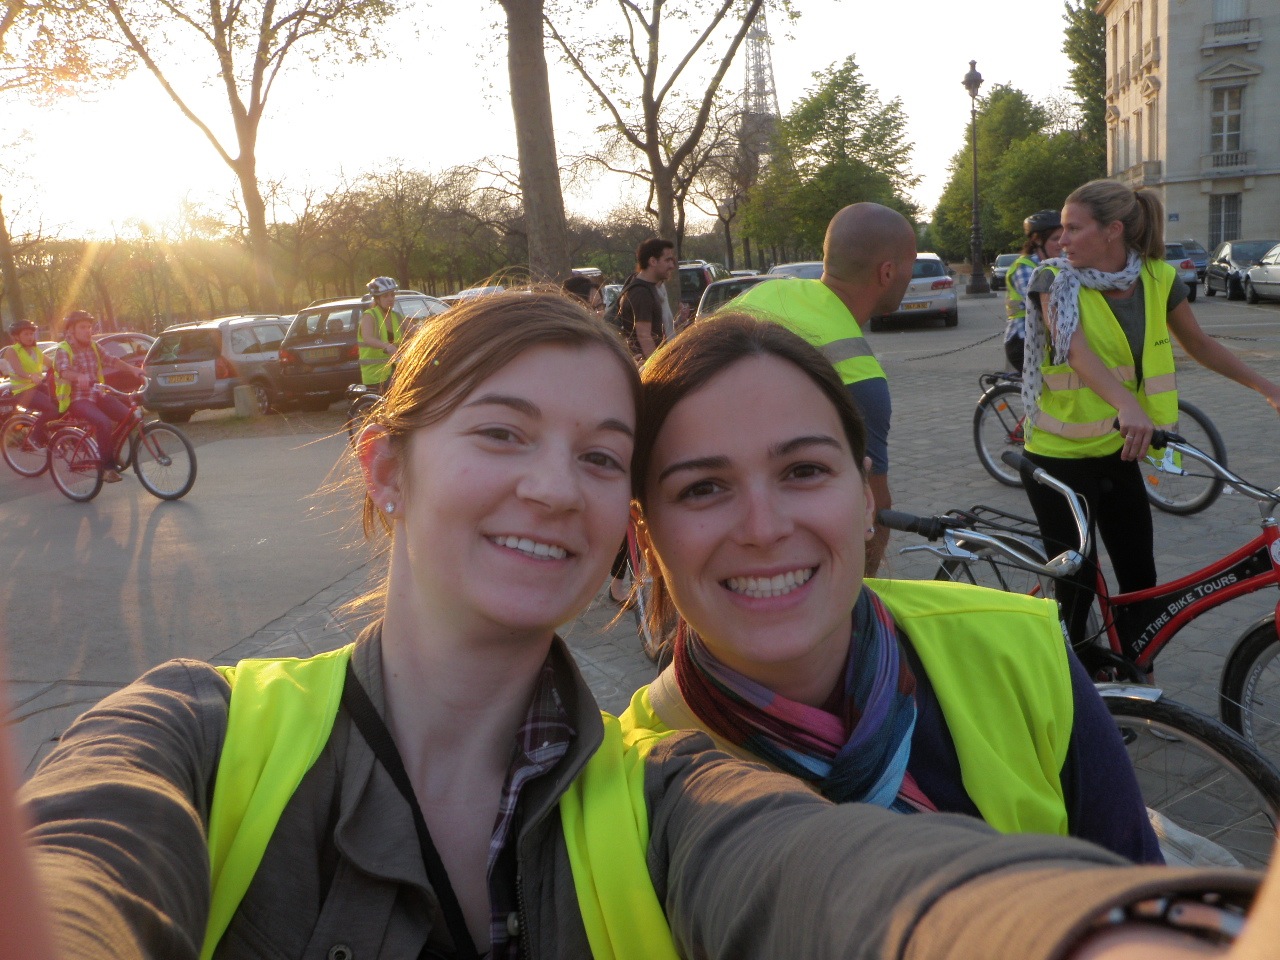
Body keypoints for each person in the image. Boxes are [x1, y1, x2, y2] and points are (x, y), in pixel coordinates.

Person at [14, 291, 1274, 960]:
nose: (553, 486)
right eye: (501, 433)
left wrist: (1128, 934)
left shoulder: (661, 790)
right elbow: (87, 859)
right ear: (383, 471)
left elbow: (842, 878)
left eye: (598, 455)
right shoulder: (194, 732)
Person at [621, 312, 1161, 863]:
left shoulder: (1023, 654)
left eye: (803, 470)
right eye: (703, 488)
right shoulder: (625, 791)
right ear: (645, 534)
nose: (763, 529)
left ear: (865, 498)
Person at [1021, 180, 1280, 646]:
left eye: (1073, 228)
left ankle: (1139, 683)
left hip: (1121, 451)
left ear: (1113, 231)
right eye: (1061, 230)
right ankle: (1072, 694)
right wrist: (1127, 404)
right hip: (1059, 457)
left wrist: (1267, 387)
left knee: (1141, 581)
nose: (1061, 240)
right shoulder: (1052, 281)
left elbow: (1199, 344)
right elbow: (1076, 352)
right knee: (1076, 589)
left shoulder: (1158, 278)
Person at [734, 202, 913, 576]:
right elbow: (872, 511)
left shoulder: (769, 294)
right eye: (909, 267)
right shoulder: (858, 373)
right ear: (888, 272)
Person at [563, 273, 628, 603]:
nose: (601, 311)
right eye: (596, 305)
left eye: (602, 305)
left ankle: (617, 583)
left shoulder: (601, 344)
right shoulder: (563, 348)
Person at [52, 310, 138, 483]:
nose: (87, 330)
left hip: (97, 394)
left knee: (129, 417)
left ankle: (110, 450)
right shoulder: (64, 349)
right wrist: (78, 376)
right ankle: (107, 468)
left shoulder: (93, 345)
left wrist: (133, 369)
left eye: (89, 327)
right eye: (82, 327)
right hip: (76, 399)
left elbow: (111, 360)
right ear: (71, 330)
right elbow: (63, 370)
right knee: (103, 422)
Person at [1004, 210, 1064, 373]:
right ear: (1037, 240)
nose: (1061, 243)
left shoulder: (1057, 263)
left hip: (1045, 339)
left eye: (1063, 236)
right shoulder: (1024, 267)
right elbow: (1039, 302)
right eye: (1055, 239)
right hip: (1023, 341)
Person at [615, 237, 678, 361]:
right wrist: (658, 367)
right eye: (667, 260)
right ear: (653, 261)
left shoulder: (647, 288)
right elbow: (644, 336)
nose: (672, 265)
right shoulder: (641, 293)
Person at [0, 320, 55, 441]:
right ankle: (34, 436)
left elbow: (51, 364)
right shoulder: (12, 350)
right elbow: (18, 369)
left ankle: (51, 434)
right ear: (16, 336)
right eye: (26, 334)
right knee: (51, 408)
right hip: (23, 392)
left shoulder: (35, 351)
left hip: (38, 387)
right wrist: (30, 376)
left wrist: (66, 367)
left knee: (61, 404)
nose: (30, 337)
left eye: (31, 333)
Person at [357, 276, 404, 393]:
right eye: (385, 296)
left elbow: (415, 330)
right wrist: (386, 346)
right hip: (376, 375)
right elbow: (367, 338)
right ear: (377, 299)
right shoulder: (369, 315)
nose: (390, 298)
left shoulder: (396, 316)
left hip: (395, 370)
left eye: (392, 295)